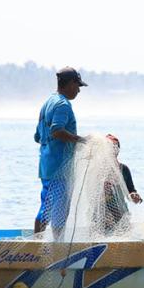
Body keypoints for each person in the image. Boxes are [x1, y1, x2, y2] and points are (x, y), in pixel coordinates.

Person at [33, 67, 88, 234]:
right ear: (70, 83)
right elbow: (56, 131)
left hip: (46, 166)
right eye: (77, 85)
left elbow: (37, 136)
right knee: (60, 211)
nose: (78, 90)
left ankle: (36, 243)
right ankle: (57, 248)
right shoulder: (63, 104)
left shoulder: (48, 102)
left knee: (45, 208)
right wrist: (80, 140)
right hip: (60, 168)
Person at [101, 134, 142, 233]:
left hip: (121, 214)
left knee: (124, 229)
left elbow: (131, 191)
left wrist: (134, 196)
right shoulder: (97, 170)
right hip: (102, 216)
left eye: (116, 147)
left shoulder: (124, 169)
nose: (113, 150)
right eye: (110, 147)